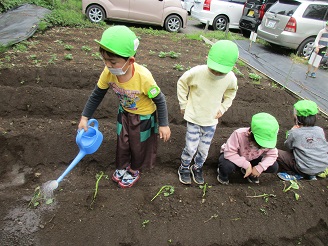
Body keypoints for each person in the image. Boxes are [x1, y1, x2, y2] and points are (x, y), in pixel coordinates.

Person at [78, 26, 171, 188]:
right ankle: (122, 167)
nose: (107, 65)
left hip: (143, 117)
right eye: (104, 60)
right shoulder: (108, 73)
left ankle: (134, 170)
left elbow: (160, 100)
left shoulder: (144, 77)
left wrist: (164, 124)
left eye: (112, 62)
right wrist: (84, 117)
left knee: (138, 145)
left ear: (130, 61)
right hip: (124, 113)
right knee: (122, 142)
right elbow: (97, 94)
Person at [177, 40, 239, 185]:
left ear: (231, 67)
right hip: (194, 117)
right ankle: (184, 167)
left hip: (211, 120)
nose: (217, 73)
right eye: (214, 69)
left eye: (221, 71)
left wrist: (223, 108)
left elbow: (231, 92)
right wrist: (183, 104)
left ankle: (197, 167)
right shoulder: (197, 72)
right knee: (191, 147)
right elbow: (182, 83)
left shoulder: (230, 78)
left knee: (204, 149)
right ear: (207, 59)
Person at [217, 112, 279, 185]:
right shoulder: (238, 134)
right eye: (258, 144)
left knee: (273, 166)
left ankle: (251, 173)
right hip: (232, 157)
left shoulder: (268, 139)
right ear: (250, 133)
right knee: (226, 166)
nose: (261, 147)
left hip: (251, 158)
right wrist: (246, 165)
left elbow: (272, 155)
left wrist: (259, 168)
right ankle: (223, 175)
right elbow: (229, 153)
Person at [277, 100, 328, 180]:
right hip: (322, 167)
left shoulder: (295, 133)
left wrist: (291, 132)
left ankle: (296, 174)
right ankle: (313, 174)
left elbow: (287, 146)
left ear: (297, 118)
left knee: (275, 153)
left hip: (304, 168)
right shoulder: (320, 130)